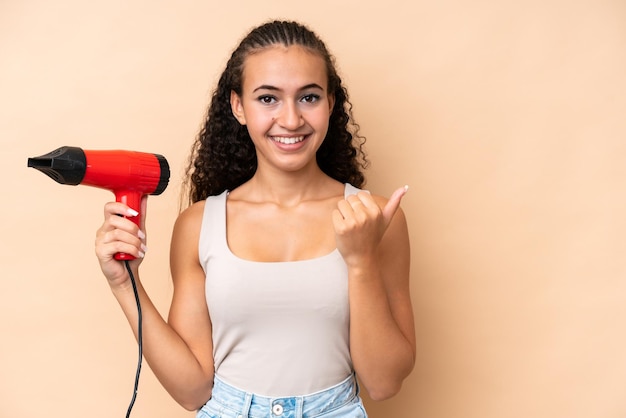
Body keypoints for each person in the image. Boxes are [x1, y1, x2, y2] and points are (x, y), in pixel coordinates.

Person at [95, 20, 415, 418]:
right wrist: (126, 285)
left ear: (331, 103)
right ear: (238, 106)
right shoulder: (199, 225)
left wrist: (362, 260)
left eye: (309, 97)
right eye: (268, 99)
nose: (292, 119)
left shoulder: (374, 219)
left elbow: (384, 383)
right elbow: (192, 390)